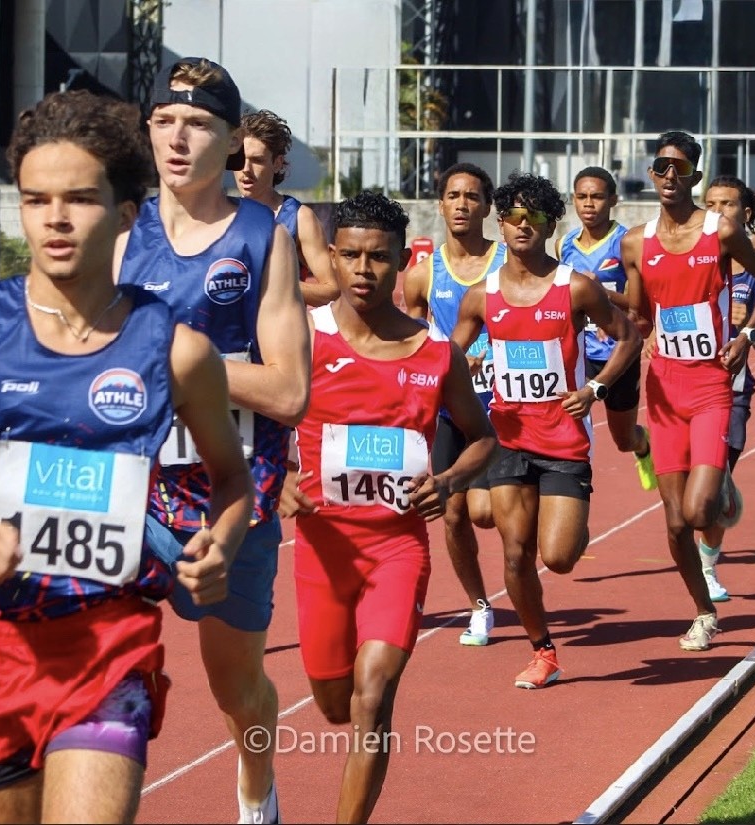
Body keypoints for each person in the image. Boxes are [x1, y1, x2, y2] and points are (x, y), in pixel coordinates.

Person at [0, 90, 254, 824]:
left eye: (79, 198)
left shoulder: (176, 350)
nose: (56, 219)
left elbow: (232, 480)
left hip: (109, 641)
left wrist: (219, 543)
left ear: (127, 213)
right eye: (36, 199)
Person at [114, 57, 311, 825]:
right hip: (126, 490)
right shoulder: (118, 227)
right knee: (95, 664)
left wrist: (179, 360)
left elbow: (289, 390)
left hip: (233, 499)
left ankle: (257, 787)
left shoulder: (265, 237)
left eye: (197, 123)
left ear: (231, 139)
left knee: (236, 688)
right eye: (164, 119)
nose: (176, 136)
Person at [279, 191, 496, 823]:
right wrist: (280, 478)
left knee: (373, 696)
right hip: (323, 551)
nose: (364, 270)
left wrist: (451, 480)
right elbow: (259, 426)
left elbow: (484, 437)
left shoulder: (435, 353)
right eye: (350, 256)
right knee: (334, 702)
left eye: (378, 257)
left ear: (403, 260)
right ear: (333, 260)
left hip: (397, 549)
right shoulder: (304, 340)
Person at [452, 172, 642, 689]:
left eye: (534, 217)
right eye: (512, 215)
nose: (521, 225)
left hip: (563, 440)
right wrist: (465, 364)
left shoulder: (574, 288)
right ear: (500, 221)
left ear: (548, 224)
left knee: (556, 557)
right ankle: (544, 652)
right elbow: (444, 356)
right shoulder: (480, 296)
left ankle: (568, 521)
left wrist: (597, 389)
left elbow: (628, 337)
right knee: (515, 554)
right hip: (508, 438)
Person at [621, 130, 755, 651]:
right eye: (661, 167)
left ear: (694, 172)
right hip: (664, 389)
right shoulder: (636, 242)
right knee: (673, 524)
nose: (670, 176)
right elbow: (640, 315)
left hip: (713, 385)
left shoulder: (721, 231)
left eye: (680, 168)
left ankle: (719, 491)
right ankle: (703, 613)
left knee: (697, 513)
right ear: (652, 173)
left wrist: (747, 335)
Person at [400, 162, 506, 646]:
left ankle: (520, 574)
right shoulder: (423, 275)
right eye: (453, 196)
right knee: (454, 512)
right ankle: (480, 606)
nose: (462, 204)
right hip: (447, 407)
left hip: (502, 403)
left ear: (487, 206)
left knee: (486, 513)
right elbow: (412, 339)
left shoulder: (508, 263)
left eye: (472, 196)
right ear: (440, 204)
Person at [695, 175, 755, 601]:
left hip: (732, 393)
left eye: (726, 204)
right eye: (709, 203)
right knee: (690, 492)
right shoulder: (689, 258)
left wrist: (748, 330)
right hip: (683, 389)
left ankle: (707, 567)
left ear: (744, 214)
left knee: (711, 492)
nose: (716, 213)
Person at [555, 166, 656, 492]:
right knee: (570, 431)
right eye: (582, 197)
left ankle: (644, 448)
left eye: (597, 197)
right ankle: (571, 493)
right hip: (578, 355)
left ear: (613, 199)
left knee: (624, 439)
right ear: (573, 200)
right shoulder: (564, 245)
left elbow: (640, 305)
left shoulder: (627, 242)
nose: (589, 204)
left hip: (618, 355)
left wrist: (600, 295)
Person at [235, 108, 340, 307]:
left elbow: (331, 290)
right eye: (240, 160)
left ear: (277, 163)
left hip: (278, 333)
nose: (245, 170)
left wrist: (268, 283)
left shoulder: (299, 218)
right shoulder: (221, 213)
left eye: (257, 160)